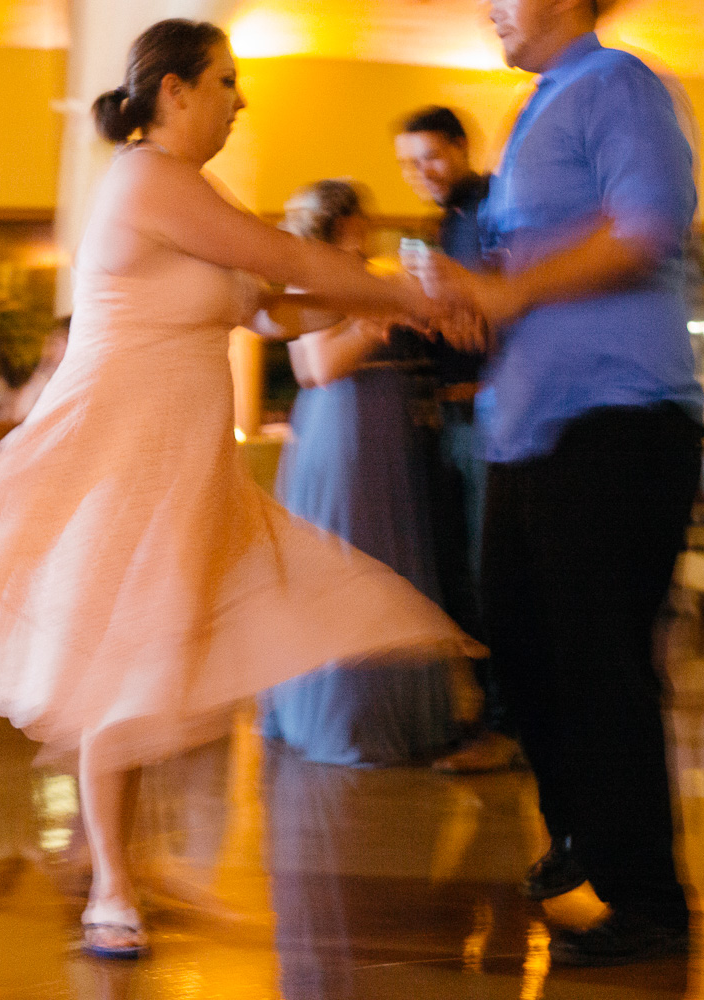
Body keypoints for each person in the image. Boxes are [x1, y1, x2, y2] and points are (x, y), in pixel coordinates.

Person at [0, 18, 480, 962]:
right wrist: (411, 295)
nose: (240, 101)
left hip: (182, 467)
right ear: (174, 92)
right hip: (118, 461)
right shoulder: (144, 178)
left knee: (152, 657)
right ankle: (113, 884)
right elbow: (285, 263)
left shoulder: (197, 193)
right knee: (118, 660)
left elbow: (276, 308)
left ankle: (114, 860)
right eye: (226, 82)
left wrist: (389, 295)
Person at [423, 0, 704, 966]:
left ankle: (646, 899)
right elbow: (529, 261)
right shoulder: (532, 107)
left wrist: (509, 288)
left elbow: (645, 231)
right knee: (523, 650)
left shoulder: (616, 84)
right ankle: (581, 838)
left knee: (597, 662)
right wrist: (478, 304)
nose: (486, 8)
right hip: (524, 427)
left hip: (617, 416)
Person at [260, 180, 460, 767]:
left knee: (390, 560)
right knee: (352, 556)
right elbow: (318, 365)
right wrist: (379, 317)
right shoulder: (316, 277)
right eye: (360, 219)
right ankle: (351, 715)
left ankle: (395, 708)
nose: (369, 228)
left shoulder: (360, 272)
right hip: (345, 426)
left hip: (382, 426)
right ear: (340, 223)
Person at [395, 105, 522, 774]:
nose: (419, 173)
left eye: (430, 158)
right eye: (406, 164)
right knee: (455, 576)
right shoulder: (444, 222)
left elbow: (495, 305)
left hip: (486, 413)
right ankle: (488, 713)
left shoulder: (488, 208)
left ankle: (506, 724)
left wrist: (466, 312)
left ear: (460, 150)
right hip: (449, 416)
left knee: (485, 574)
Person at [4, 317, 71, 426]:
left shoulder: (72, 383)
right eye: (50, 343)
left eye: (56, 343)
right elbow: (18, 415)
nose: (49, 351)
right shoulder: (46, 378)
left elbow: (21, 417)